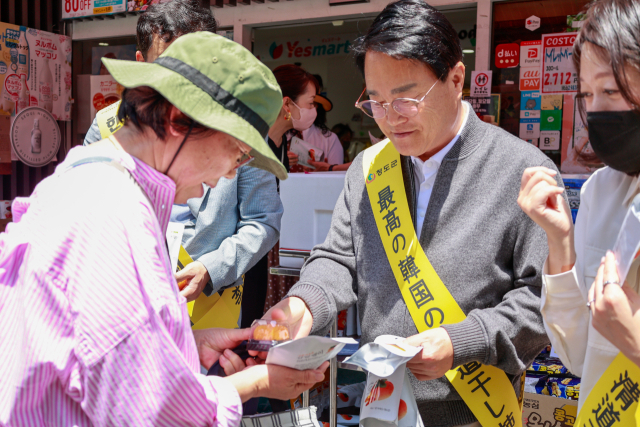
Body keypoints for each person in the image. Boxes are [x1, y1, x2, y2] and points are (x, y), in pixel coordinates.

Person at [0, 32, 328, 425]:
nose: (230, 172)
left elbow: (95, 354)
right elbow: (153, 410)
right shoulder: (113, 213)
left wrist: (184, 344)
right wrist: (258, 383)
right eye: (237, 153)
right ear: (178, 121)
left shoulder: (91, 184)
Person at [261, 1, 554, 426]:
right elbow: (339, 259)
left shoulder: (521, 170)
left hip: (473, 411)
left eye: (405, 100)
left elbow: (542, 300)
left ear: (456, 78)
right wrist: (302, 306)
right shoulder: (369, 169)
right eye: (375, 102)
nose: (388, 120)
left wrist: (461, 341)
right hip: (378, 404)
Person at [84, 0, 283, 307]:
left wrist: (211, 268)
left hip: (212, 304)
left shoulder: (237, 126)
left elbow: (262, 220)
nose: (221, 179)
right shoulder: (105, 133)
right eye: (174, 72)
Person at [518, 0, 640, 411]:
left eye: (610, 89)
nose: (598, 109)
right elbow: (575, 356)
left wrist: (634, 344)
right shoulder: (601, 192)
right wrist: (560, 239)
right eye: (588, 93)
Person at [263, 64, 318, 312]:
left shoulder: (284, 141)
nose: (313, 111)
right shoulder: (254, 141)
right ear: (287, 104)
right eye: (311, 103)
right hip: (257, 251)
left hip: (276, 247)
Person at [302, 94, 344, 166]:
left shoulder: (330, 139)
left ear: (316, 106)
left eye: (311, 103)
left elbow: (336, 174)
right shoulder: (282, 134)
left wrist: (324, 171)